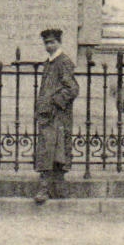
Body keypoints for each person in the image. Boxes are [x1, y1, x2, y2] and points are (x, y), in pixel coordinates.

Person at [33, 27, 78, 204]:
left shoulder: (63, 61)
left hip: (57, 115)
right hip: (48, 115)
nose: (49, 45)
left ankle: (48, 189)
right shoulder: (50, 62)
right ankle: (56, 189)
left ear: (59, 42)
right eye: (46, 42)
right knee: (49, 149)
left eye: (52, 42)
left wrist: (54, 103)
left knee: (53, 150)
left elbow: (72, 88)